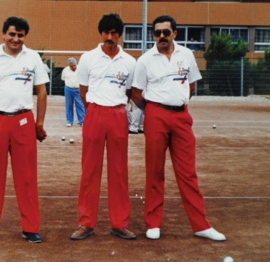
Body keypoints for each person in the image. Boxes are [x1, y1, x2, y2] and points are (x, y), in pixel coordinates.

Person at [131, 15, 226, 241]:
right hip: (155, 116)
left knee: (188, 173)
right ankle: (153, 223)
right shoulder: (145, 60)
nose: (161, 37)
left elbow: (191, 87)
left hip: (182, 117)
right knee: (155, 171)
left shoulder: (187, 55)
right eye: (157, 33)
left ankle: (201, 225)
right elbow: (136, 94)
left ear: (175, 33)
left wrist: (176, 104)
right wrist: (156, 109)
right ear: (153, 35)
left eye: (166, 32)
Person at [0, 16, 49, 244]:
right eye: (12, 34)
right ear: (4, 34)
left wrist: (39, 124)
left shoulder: (32, 57)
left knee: (27, 177)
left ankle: (30, 227)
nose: (16, 39)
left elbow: (41, 92)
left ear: (25, 37)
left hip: (24, 121)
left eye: (20, 35)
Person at [70, 13, 136, 241]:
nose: (110, 37)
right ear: (101, 34)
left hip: (118, 115)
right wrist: (95, 109)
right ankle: (86, 223)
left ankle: (120, 223)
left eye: (114, 33)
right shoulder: (88, 58)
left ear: (120, 35)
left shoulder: (129, 61)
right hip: (95, 114)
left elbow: (128, 92)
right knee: (90, 170)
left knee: (119, 171)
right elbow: (82, 91)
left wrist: (113, 107)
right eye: (106, 33)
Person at [61, 57, 85, 127]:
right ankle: (69, 121)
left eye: (74, 65)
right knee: (69, 105)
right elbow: (63, 79)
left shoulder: (81, 69)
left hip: (78, 89)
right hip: (68, 89)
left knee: (80, 105)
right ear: (69, 65)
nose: (73, 67)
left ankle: (82, 121)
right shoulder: (65, 70)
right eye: (71, 66)